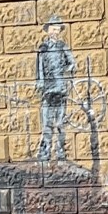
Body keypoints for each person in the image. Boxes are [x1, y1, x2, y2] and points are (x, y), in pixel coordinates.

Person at [34, 15, 76, 162]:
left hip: (60, 88)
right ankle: (45, 152)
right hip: (47, 89)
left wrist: (65, 71)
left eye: (57, 29)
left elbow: (72, 63)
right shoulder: (43, 48)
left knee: (60, 122)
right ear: (48, 30)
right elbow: (39, 67)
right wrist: (40, 83)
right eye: (53, 29)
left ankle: (60, 152)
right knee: (47, 122)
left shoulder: (63, 46)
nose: (55, 32)